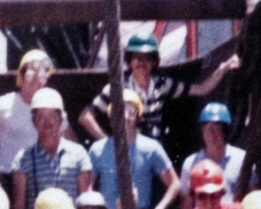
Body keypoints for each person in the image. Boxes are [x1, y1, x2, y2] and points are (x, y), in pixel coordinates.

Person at [78, 34, 242, 142]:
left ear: (154, 61)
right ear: (129, 61)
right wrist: (108, 143)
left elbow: (201, 89)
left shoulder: (161, 85)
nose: (142, 63)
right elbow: (85, 117)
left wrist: (225, 67)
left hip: (153, 155)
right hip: (126, 156)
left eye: (147, 58)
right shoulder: (117, 88)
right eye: (137, 58)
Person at [88, 88, 182, 209]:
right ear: (112, 119)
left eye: (131, 112)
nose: (125, 116)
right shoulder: (97, 149)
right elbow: (87, 187)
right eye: (120, 111)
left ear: (138, 118)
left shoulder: (151, 148)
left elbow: (175, 183)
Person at [11, 87, 93, 209]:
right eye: (41, 117)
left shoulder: (78, 154)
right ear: (33, 120)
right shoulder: (23, 159)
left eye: (53, 116)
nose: (47, 122)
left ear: (61, 119)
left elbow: (86, 203)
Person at [0, 49, 53, 184]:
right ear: (22, 78)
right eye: (32, 77)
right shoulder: (2, 104)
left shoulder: (52, 106)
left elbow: (68, 138)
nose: (37, 83)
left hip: (39, 176)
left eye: (40, 79)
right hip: (8, 176)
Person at [179, 102, 246, 208]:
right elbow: (186, 205)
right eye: (207, 128)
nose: (212, 133)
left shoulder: (242, 159)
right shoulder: (191, 163)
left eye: (217, 128)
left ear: (225, 131)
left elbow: (251, 195)